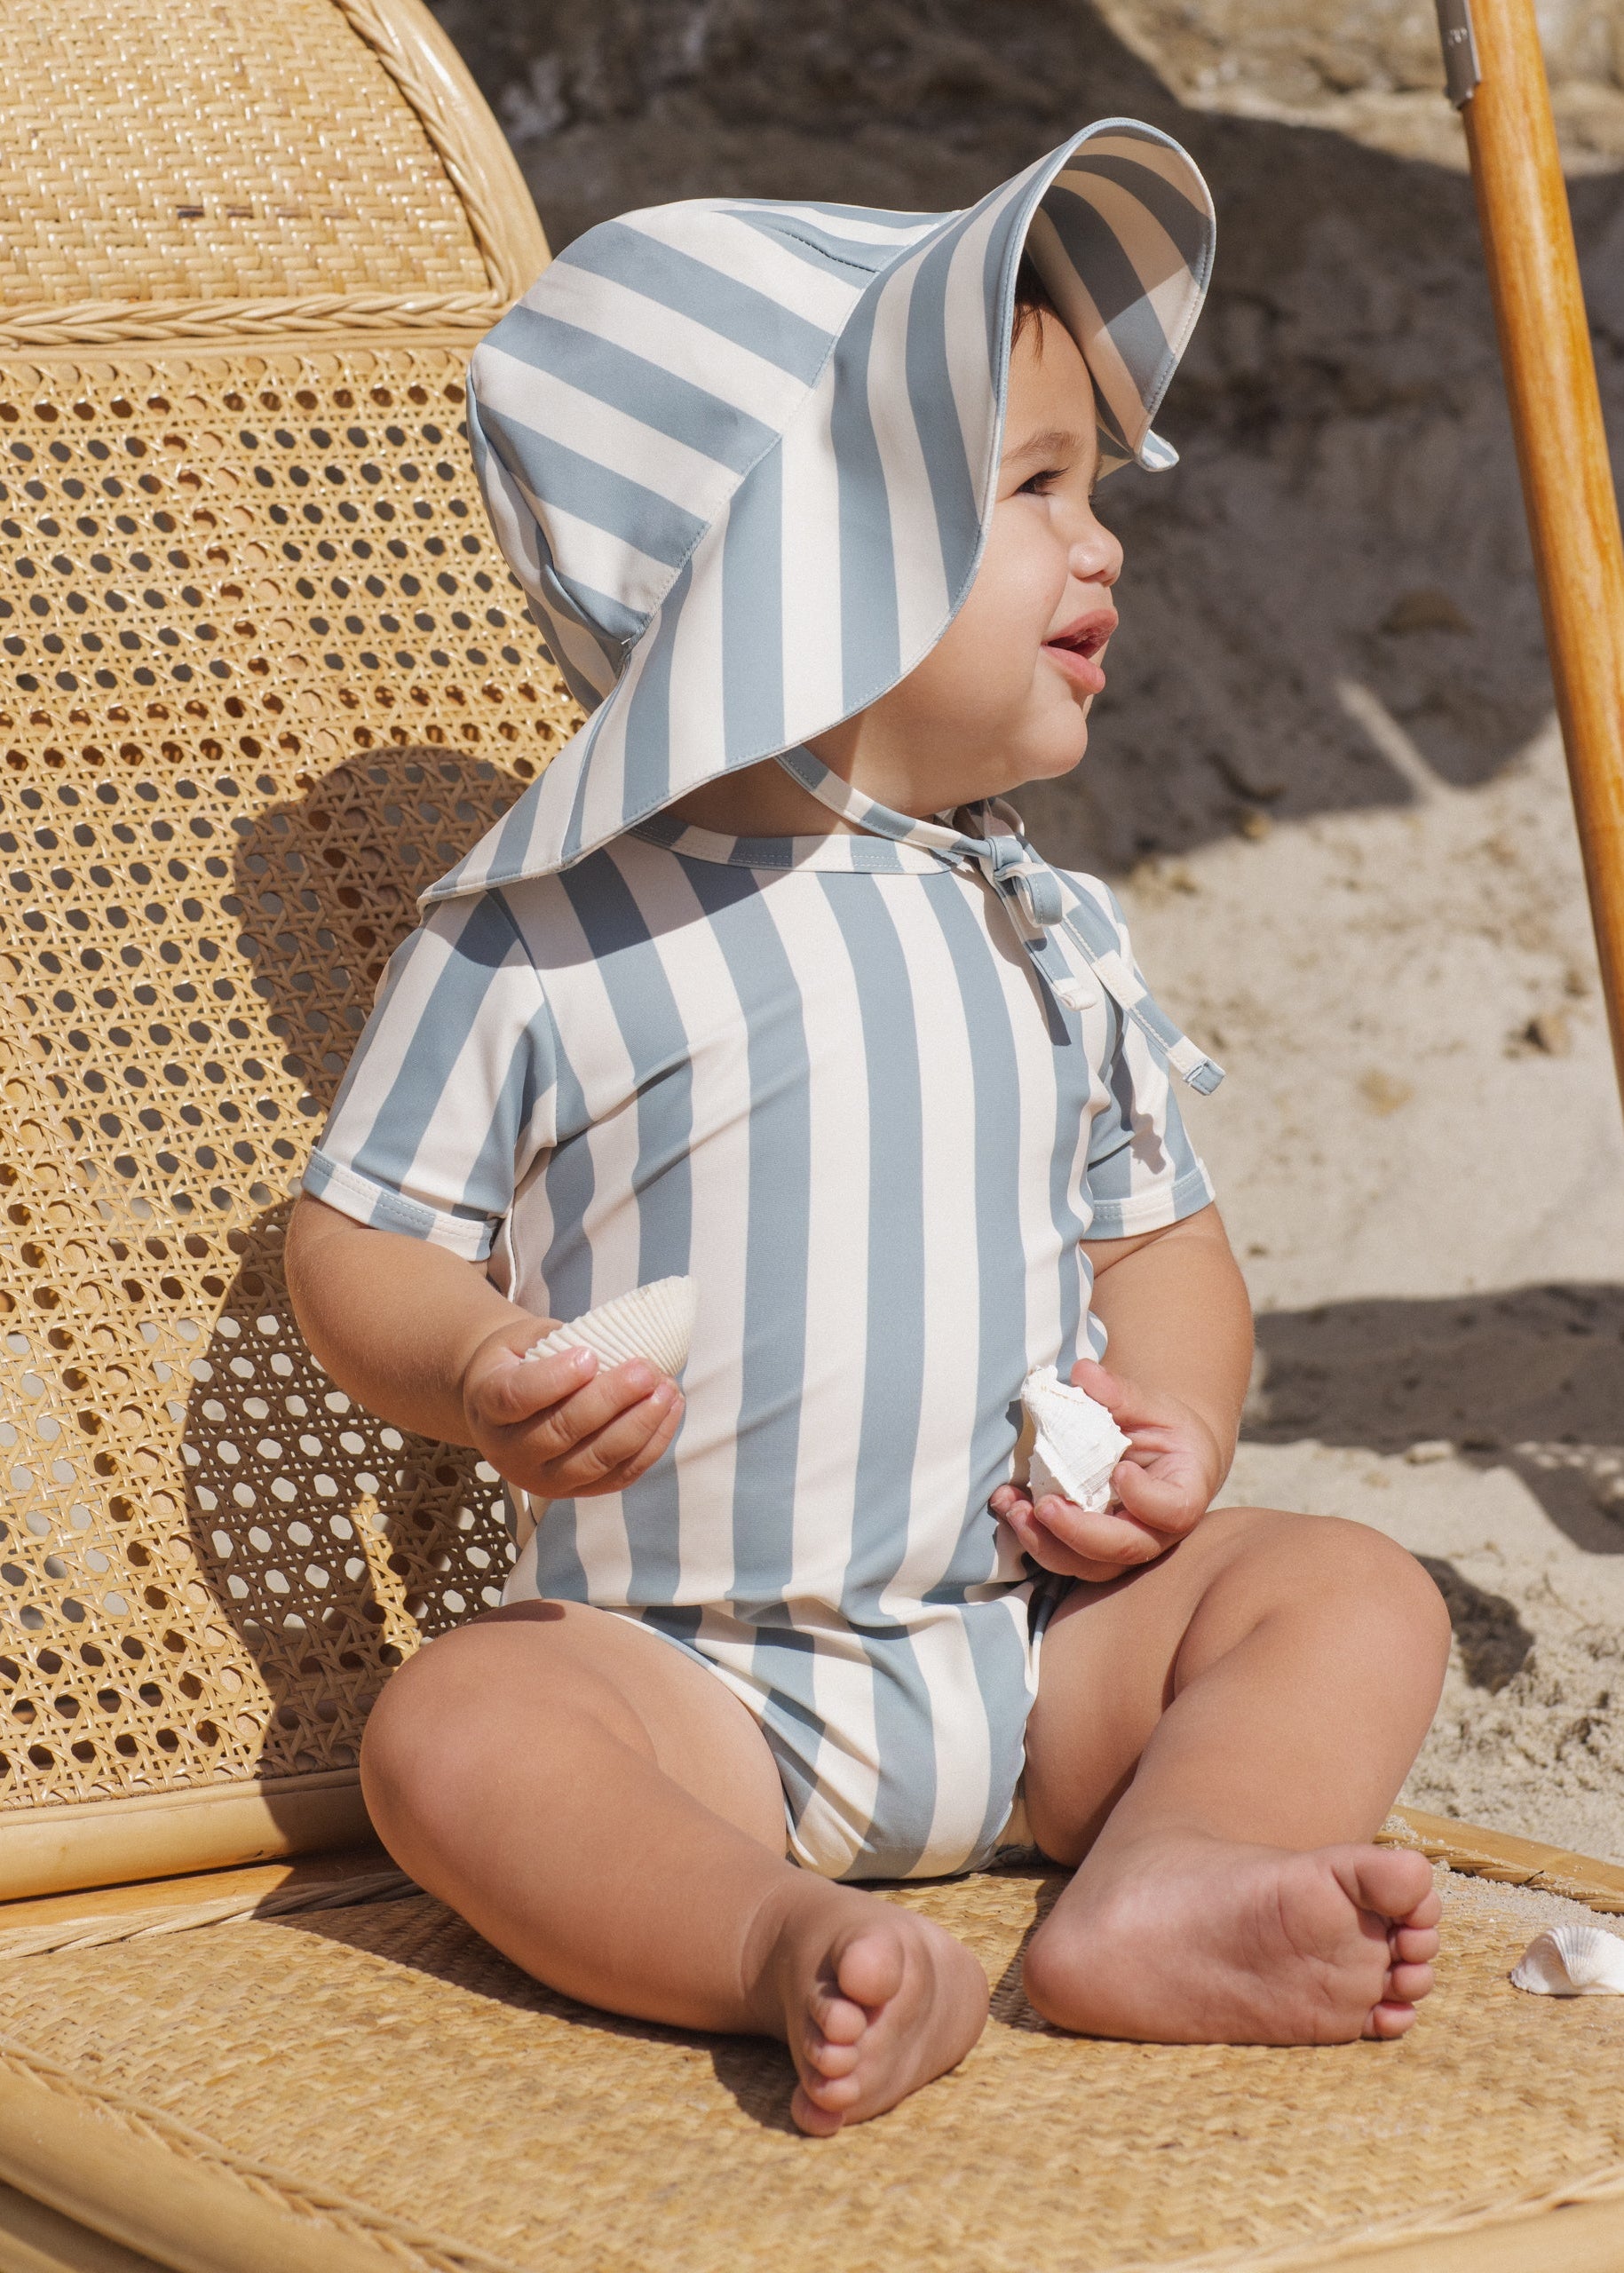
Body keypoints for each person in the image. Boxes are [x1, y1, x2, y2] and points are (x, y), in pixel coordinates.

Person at [285, 123, 1453, 2135]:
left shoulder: (1041, 924)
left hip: (1024, 1653)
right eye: (1036, 493)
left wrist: (1174, 1436)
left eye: (1093, 494)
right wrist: (479, 1365)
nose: (1105, 548)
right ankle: (779, 1937)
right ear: (806, 565)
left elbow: (1162, 1246)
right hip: (681, 1681)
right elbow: (352, 1242)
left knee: (1350, 1589)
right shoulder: (542, 936)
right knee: (460, 1722)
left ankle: (1168, 1875)